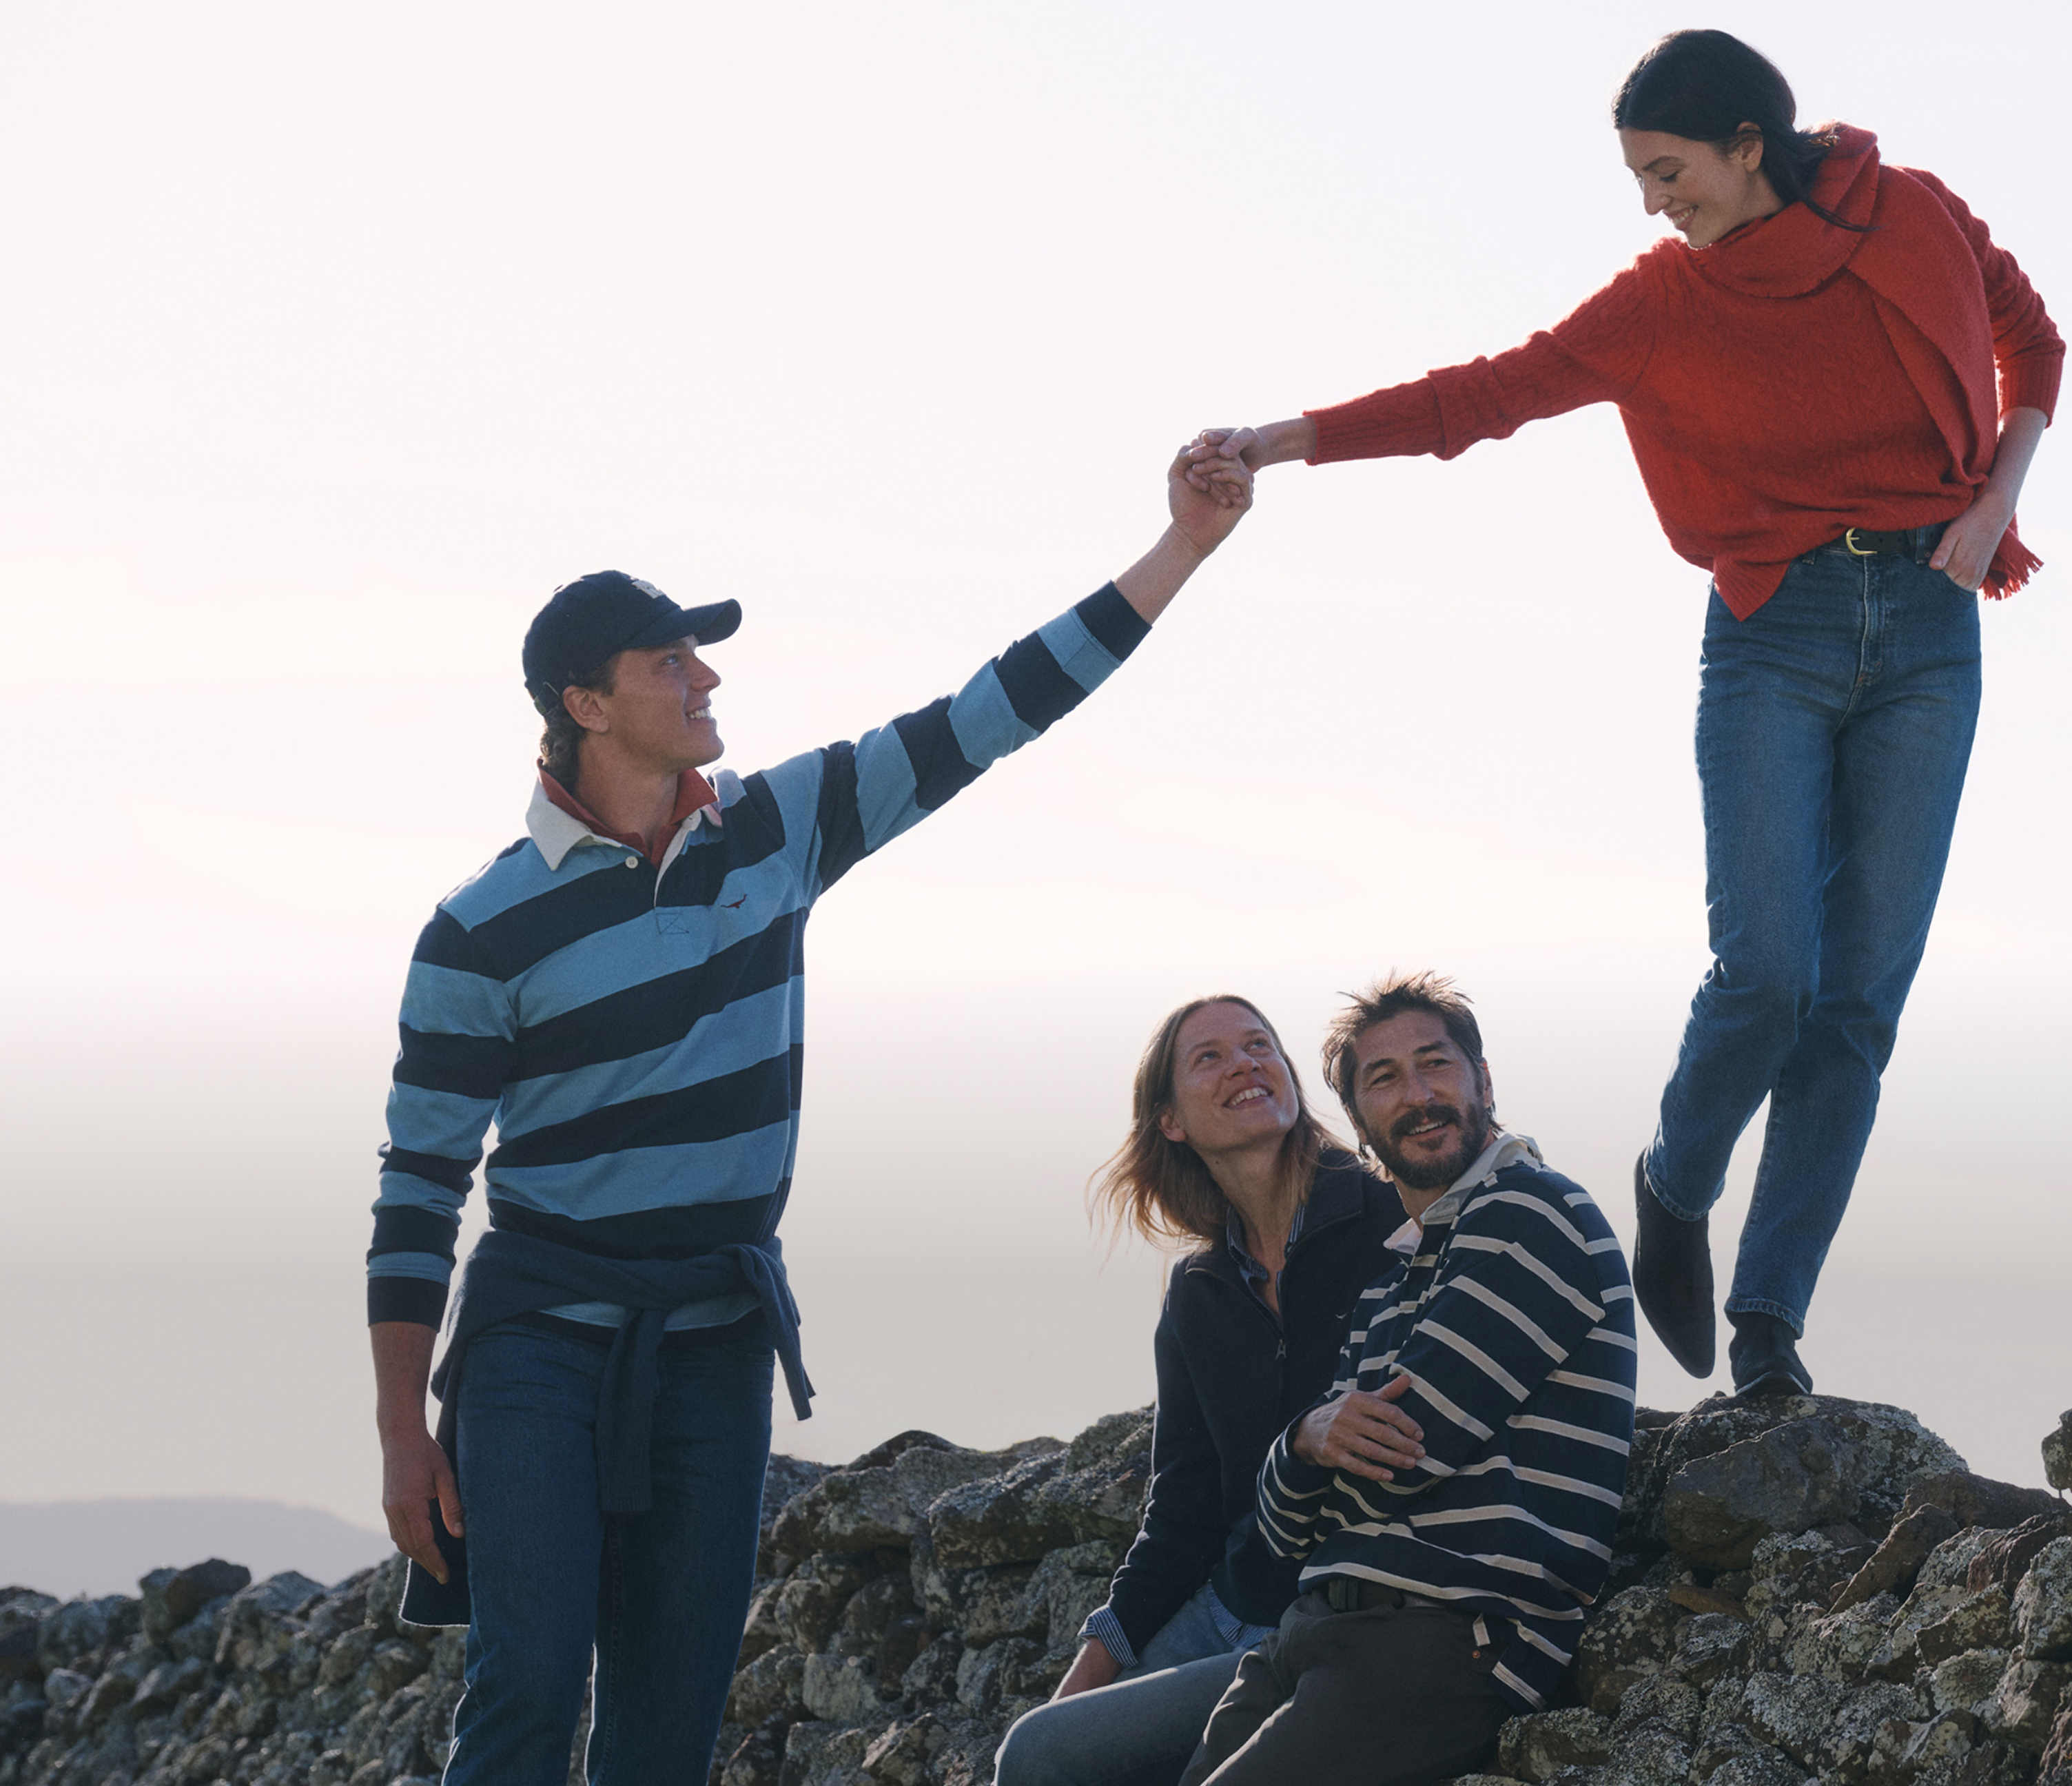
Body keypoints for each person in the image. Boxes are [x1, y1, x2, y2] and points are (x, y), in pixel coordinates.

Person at [1184, 29, 2064, 1399]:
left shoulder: (1914, 217)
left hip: (1931, 629)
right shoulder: (1662, 303)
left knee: (1854, 1010)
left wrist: (1998, 497)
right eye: (1640, 180)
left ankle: (1768, 1326)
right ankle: (1675, 1179)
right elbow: (1478, 397)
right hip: (1773, 629)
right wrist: (1281, 441)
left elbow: (2032, 339)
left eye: (1668, 175)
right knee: (1767, 970)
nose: (1656, 205)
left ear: (1745, 150)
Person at [367, 444, 1250, 1786]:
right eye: (671, 663)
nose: (707, 678)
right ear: (586, 707)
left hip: (716, 1336)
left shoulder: (781, 827)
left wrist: (1179, 546)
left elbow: (987, 714)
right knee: (526, 1691)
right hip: (538, 1342)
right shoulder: (480, 931)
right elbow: (415, 1200)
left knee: (666, 1731)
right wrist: (398, 1440)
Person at [1172, 974, 1637, 1786]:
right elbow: (1277, 1529)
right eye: (1383, 1080)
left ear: (1482, 1082)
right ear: (1356, 1123)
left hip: (1442, 1640)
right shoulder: (1389, 1282)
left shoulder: (1530, 1213)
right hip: (1308, 1632)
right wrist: (1309, 1439)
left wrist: (1320, 1461)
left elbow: (1404, 1456)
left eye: (1435, 1066)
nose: (1417, 1096)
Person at [990, 997, 1404, 1786]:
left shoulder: (1392, 1222)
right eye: (1208, 1058)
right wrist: (1076, 1683)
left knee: (1076, 1764)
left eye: (1259, 1045)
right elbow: (1180, 1511)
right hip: (1221, 1605)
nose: (1244, 1062)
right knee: (1037, 1750)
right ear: (1170, 1121)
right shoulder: (1198, 1291)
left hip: (1328, 1622)